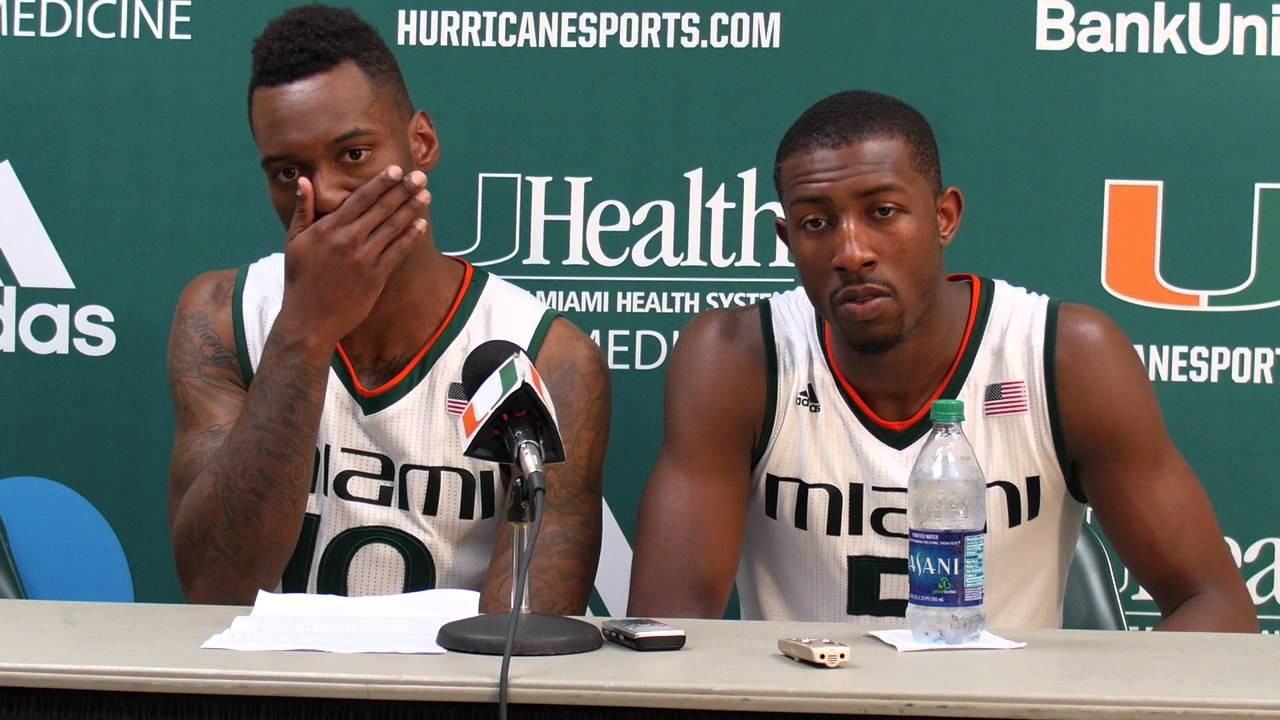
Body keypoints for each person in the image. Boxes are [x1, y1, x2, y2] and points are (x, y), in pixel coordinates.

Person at [628, 90, 1257, 631]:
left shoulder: (1061, 354)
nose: (852, 251)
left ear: (944, 216)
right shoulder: (739, 358)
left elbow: (1215, 603)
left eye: (882, 212)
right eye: (817, 223)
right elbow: (665, 625)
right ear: (788, 241)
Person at [166, 5, 609, 612]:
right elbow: (217, 587)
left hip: (450, 702)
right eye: (289, 171)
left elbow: (524, 638)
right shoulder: (224, 315)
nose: (323, 196)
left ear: (421, 142)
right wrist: (305, 332)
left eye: (353, 155)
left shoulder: (543, 354)